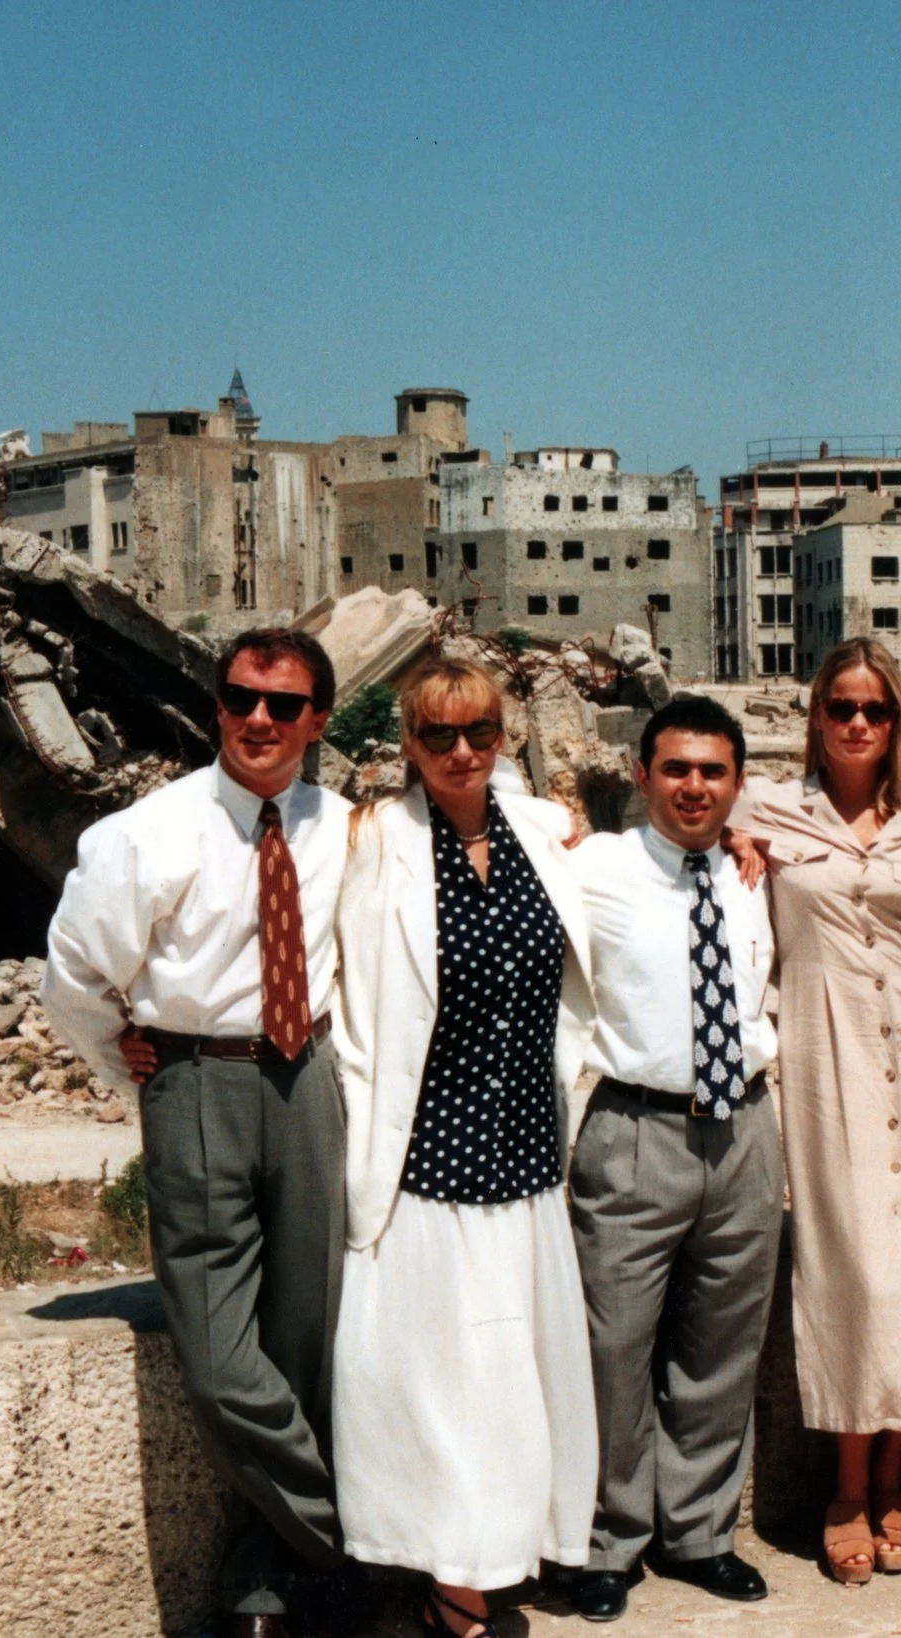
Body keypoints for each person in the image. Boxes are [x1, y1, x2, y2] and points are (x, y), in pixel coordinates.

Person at [44, 629, 350, 1638]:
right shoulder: (149, 833)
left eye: (282, 704)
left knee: (304, 1336)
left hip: (310, 1082)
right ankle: (351, 1531)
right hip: (197, 1080)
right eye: (238, 697)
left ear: (316, 720)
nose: (257, 719)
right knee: (219, 1360)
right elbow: (74, 973)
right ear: (217, 705)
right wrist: (122, 1056)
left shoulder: (346, 827)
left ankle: (264, 1576)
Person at [328, 658, 600, 1638]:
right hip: (426, 1159)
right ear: (408, 742)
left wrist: (741, 844)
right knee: (440, 1385)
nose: (460, 751)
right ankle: (456, 1578)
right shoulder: (373, 841)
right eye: (437, 734)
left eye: (479, 731)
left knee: (513, 1378)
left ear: (503, 735)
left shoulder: (545, 832)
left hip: (525, 1153)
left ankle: (499, 1552)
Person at [732, 638, 901, 1586]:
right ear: (816, 716)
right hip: (827, 1058)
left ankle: (895, 1475)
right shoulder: (764, 810)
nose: (856, 723)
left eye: (875, 710)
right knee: (855, 1269)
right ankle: (846, 1485)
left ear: (897, 723)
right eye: (840, 706)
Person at [562, 695, 782, 1623]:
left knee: (722, 1343)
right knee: (612, 1346)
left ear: (737, 782)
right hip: (635, 1131)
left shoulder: (752, 870)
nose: (695, 787)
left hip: (744, 1131)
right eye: (677, 769)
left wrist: (749, 844)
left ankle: (699, 1532)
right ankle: (608, 1540)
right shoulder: (596, 866)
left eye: (713, 771)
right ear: (642, 775)